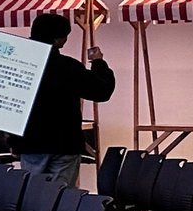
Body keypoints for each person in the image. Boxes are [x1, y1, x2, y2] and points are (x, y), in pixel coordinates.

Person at [10, 11, 115, 186]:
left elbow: (10, 108)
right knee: (61, 195)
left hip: (30, 143)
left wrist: (14, 142)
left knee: (31, 192)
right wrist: (98, 63)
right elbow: (101, 91)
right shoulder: (68, 67)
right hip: (64, 143)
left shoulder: (17, 65)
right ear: (58, 39)